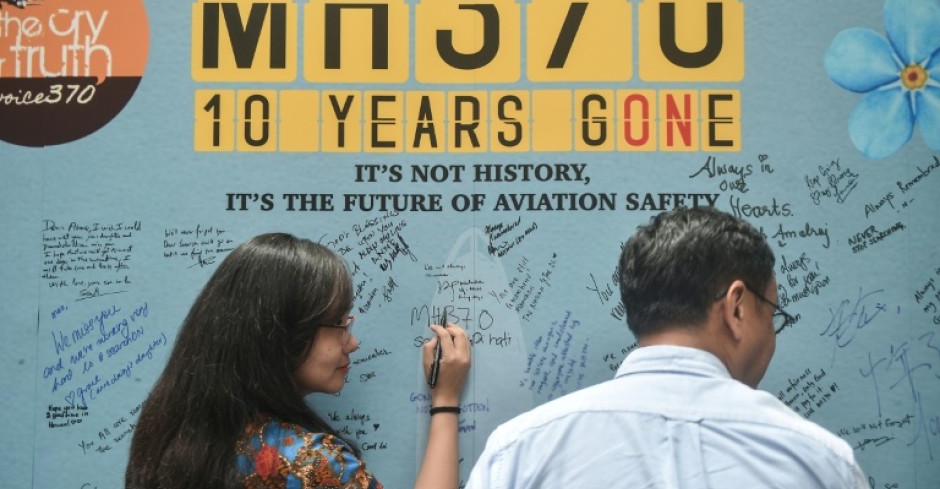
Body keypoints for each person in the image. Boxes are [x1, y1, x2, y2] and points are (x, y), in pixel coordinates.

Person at [466, 206, 868, 488]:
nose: (772, 334)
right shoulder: (817, 461)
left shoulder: (520, 451)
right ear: (737, 307)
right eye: (772, 314)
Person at [126, 232, 471, 489]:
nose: (352, 343)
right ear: (280, 333)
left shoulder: (167, 436)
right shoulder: (306, 461)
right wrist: (445, 400)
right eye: (338, 323)